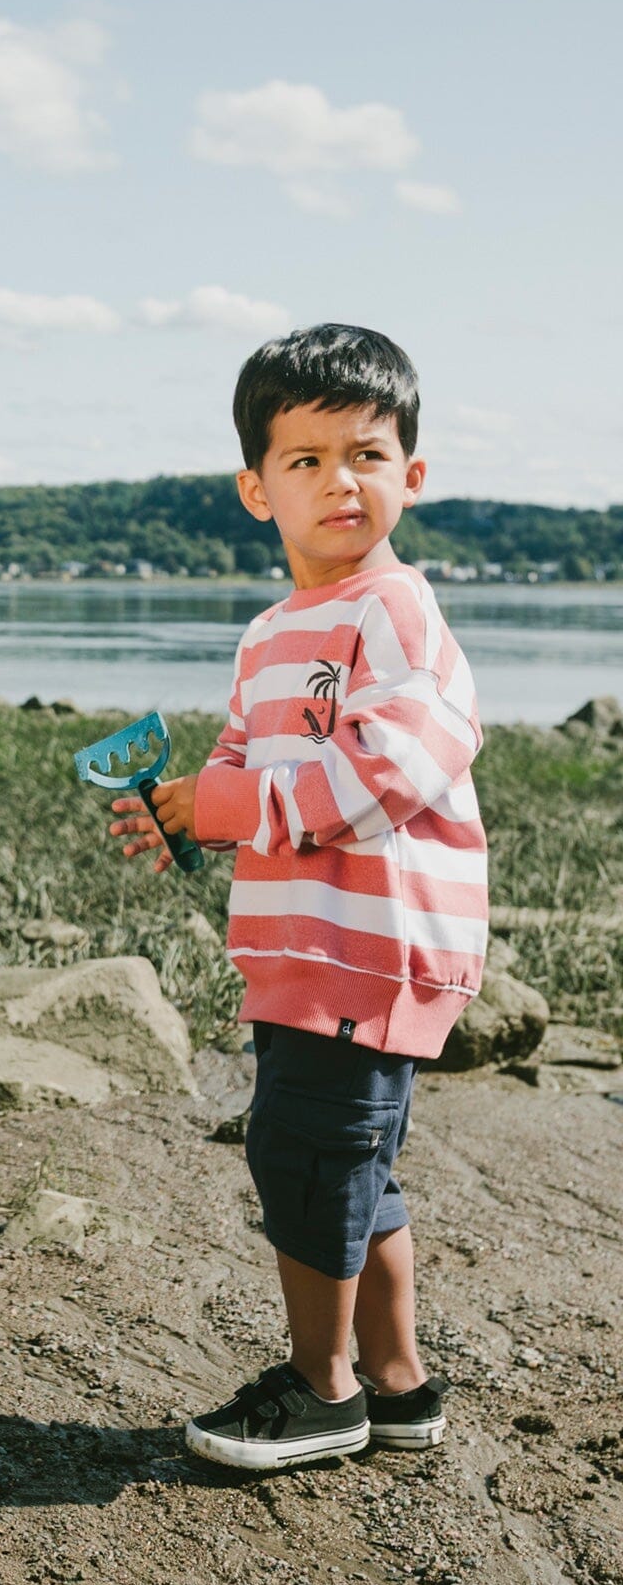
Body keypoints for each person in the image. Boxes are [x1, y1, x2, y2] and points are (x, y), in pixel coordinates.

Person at [111, 323, 487, 1470]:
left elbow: (394, 770)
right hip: (304, 950)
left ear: (410, 477)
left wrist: (231, 808)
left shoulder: (397, 611)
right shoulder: (273, 632)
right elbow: (242, 763)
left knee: (308, 1161)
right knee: (344, 1164)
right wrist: (184, 806)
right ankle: (398, 1385)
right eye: (307, 460)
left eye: (367, 456)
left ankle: (324, 1394)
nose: (340, 483)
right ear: (255, 488)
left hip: (372, 950)